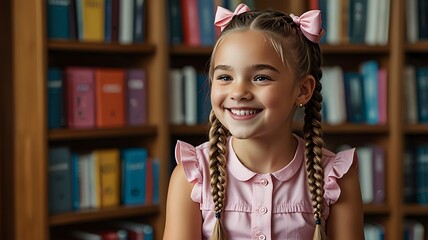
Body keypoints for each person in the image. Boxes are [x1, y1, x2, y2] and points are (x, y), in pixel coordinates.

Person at [163, 4, 364, 240]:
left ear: (302, 90)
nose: (238, 92)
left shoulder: (336, 177)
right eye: (225, 77)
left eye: (261, 77)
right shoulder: (192, 176)